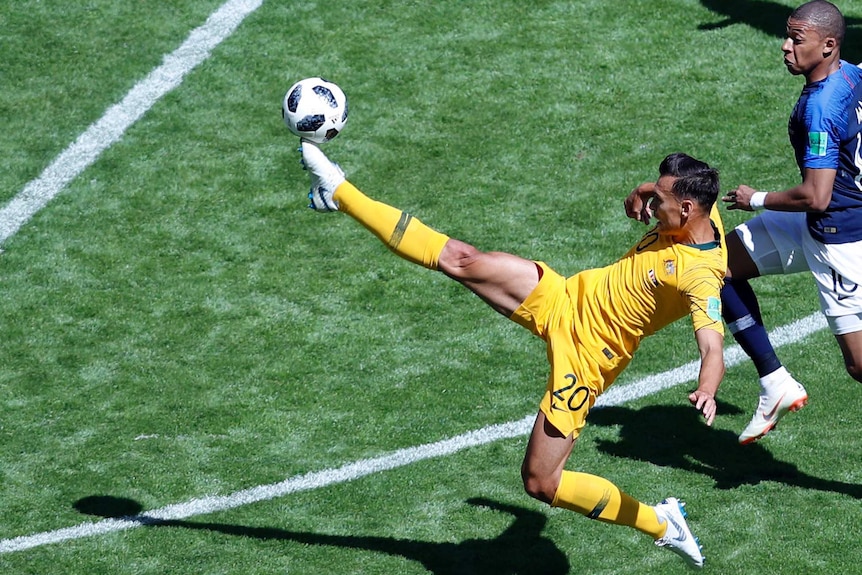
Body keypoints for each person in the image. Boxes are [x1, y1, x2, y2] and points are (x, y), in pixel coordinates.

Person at [299, 141, 727, 569]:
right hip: (563, 297)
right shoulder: (697, 208)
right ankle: (338, 190)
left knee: (541, 482)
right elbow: (662, 189)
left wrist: (707, 388)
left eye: (661, 202)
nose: (653, 206)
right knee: (461, 259)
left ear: (687, 209)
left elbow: (711, 345)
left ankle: (661, 522)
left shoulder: (701, 274)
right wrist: (642, 189)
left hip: (588, 357)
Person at [720, 0, 862, 444]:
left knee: (859, 366)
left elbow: (816, 197)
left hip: (837, 241)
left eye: (795, 40)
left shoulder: (819, 107)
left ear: (828, 45)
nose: (784, 46)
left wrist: (754, 198)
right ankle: (775, 382)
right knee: (715, 263)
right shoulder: (853, 74)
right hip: (820, 223)